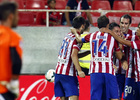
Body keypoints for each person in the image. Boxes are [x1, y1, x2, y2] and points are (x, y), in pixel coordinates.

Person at [71, 15, 123, 100]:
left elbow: (79, 39)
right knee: (114, 97)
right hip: (108, 71)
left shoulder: (91, 36)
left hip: (95, 72)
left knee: (96, 97)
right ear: (107, 25)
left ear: (97, 25)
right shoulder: (113, 37)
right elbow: (119, 56)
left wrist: (75, 32)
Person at [100, 23, 140, 100]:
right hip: (119, 74)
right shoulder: (130, 38)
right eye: (117, 31)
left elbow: (123, 42)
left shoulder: (135, 41)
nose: (137, 29)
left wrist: (110, 32)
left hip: (131, 75)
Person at [54, 16, 86, 100]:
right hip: (68, 74)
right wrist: (79, 70)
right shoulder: (77, 39)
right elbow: (73, 55)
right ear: (82, 26)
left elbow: (70, 54)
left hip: (58, 72)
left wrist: (87, 53)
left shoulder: (67, 35)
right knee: (74, 97)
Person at [0, 2, 22, 100]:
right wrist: (14, 83)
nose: (18, 18)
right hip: (3, 90)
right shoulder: (13, 37)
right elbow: (16, 61)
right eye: (17, 15)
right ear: (10, 16)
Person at [119, 14, 137, 100]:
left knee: (130, 97)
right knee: (116, 96)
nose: (123, 25)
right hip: (118, 72)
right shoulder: (116, 33)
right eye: (122, 23)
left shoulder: (134, 35)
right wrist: (123, 60)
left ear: (130, 25)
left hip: (131, 72)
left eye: (126, 23)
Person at [109, 22, 126, 100]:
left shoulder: (124, 41)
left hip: (124, 75)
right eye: (116, 31)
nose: (119, 34)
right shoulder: (107, 43)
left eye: (119, 31)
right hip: (113, 75)